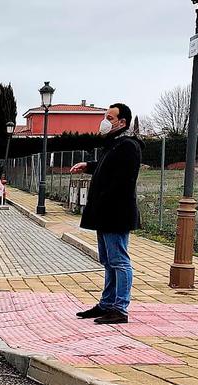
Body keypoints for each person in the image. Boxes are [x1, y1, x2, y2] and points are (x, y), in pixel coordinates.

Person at [69, 103, 143, 325]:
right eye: (105, 116)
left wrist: (104, 200)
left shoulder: (128, 146)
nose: (105, 121)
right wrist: (88, 166)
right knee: (108, 261)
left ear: (122, 123)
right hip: (105, 214)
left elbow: (122, 180)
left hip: (116, 214)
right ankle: (107, 303)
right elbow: (106, 166)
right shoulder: (113, 145)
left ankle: (120, 308)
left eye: (110, 118)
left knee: (119, 261)